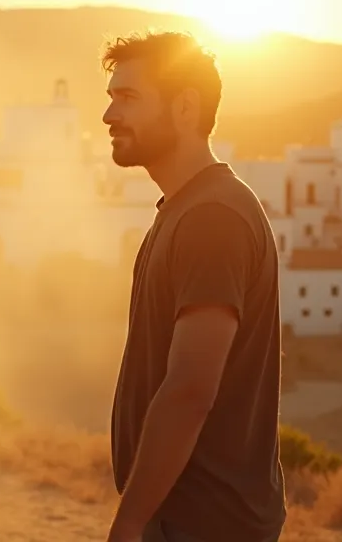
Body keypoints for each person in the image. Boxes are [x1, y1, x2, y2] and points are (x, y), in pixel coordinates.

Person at [99, 31, 286, 542]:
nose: (109, 115)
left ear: (185, 107)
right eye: (111, 97)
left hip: (204, 524)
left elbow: (189, 389)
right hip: (187, 518)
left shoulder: (211, 218)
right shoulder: (187, 208)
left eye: (129, 98)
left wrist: (130, 522)